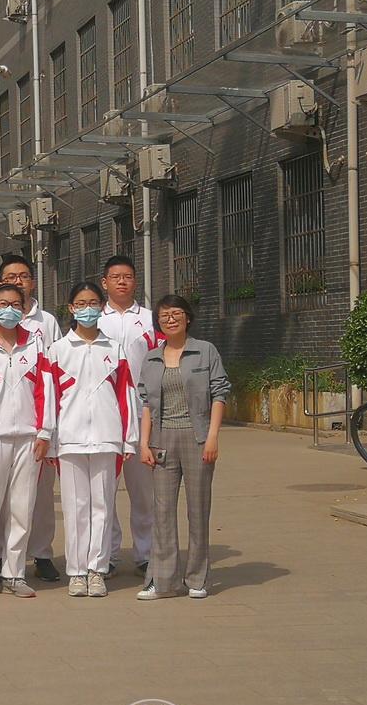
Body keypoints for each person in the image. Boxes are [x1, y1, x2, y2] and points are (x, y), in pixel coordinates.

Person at [0, 254, 63, 583]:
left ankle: (40, 555)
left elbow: (49, 378)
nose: (17, 282)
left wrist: (46, 429)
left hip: (31, 430)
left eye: (23, 276)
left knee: (35, 500)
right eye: (10, 277)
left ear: (32, 283)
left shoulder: (45, 324)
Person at [136, 295, 230, 601]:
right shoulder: (152, 358)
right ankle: (163, 581)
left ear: (187, 317)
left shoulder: (205, 351)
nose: (171, 319)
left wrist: (212, 437)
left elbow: (219, 393)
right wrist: (144, 443)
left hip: (196, 436)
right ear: (158, 322)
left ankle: (197, 578)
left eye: (176, 313)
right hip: (162, 439)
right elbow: (147, 404)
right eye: (164, 315)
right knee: (162, 511)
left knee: (198, 509)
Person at [48, 281, 138, 599]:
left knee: (102, 506)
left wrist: (129, 439)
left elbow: (127, 395)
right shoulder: (58, 350)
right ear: (71, 308)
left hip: (107, 438)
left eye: (93, 303)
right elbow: (49, 399)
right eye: (81, 304)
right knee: (76, 508)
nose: (87, 309)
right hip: (69, 440)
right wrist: (50, 439)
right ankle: (76, 571)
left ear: (102, 307)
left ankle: (96, 570)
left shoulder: (114, 349)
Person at [97, 255, 158, 577]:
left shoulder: (150, 320)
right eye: (115, 277)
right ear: (105, 282)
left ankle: (146, 553)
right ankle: (106, 555)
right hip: (104, 416)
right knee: (104, 492)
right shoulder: (93, 319)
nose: (121, 281)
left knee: (144, 491)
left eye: (128, 276)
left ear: (135, 281)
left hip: (141, 416)